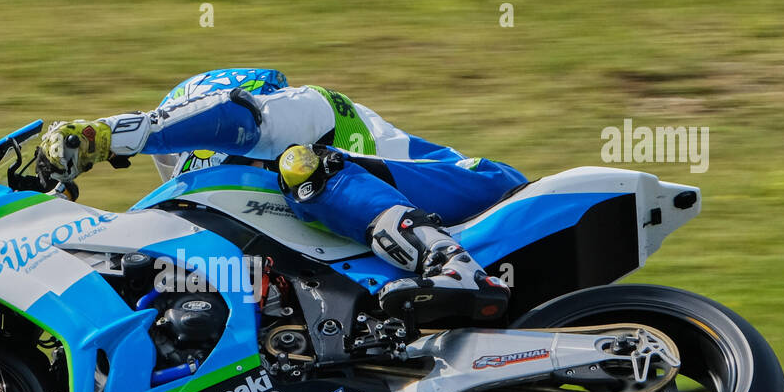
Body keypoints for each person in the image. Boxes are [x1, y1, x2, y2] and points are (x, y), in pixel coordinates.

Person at [36, 67, 525, 320]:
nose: (178, 170)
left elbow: (235, 122)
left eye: (187, 146)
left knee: (303, 168)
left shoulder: (303, 107)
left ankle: (450, 265)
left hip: (476, 192)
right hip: (369, 245)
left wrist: (108, 135)